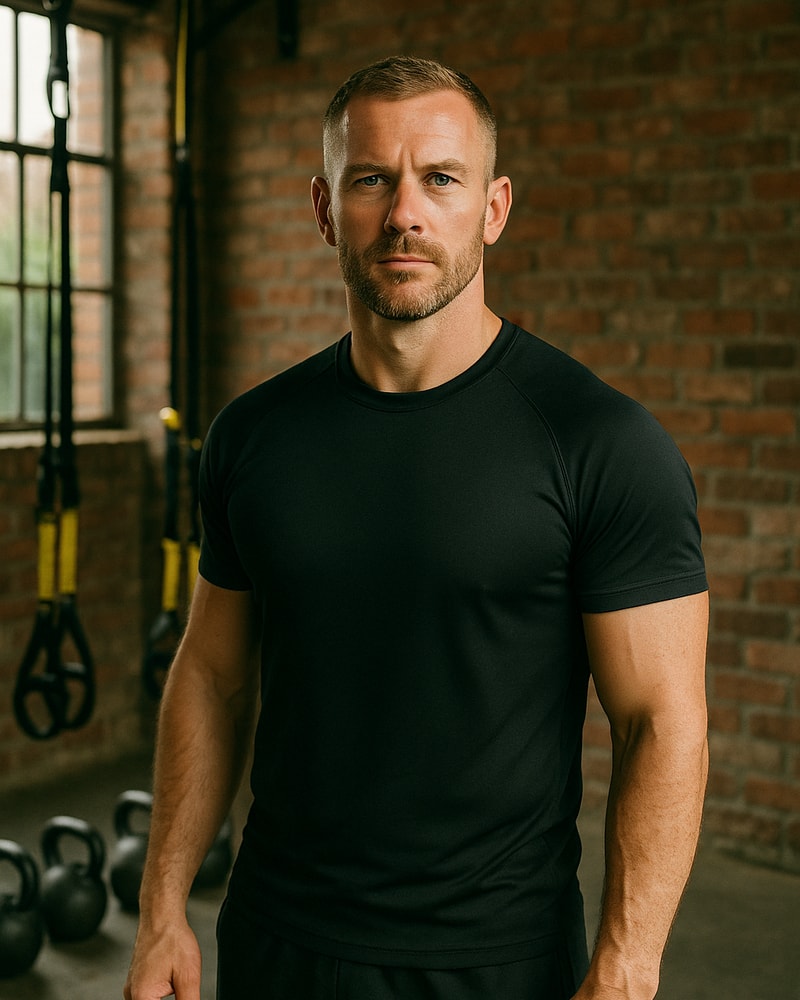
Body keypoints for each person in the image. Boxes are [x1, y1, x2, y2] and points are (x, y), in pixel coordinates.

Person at [124, 55, 709, 1000]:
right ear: (325, 208)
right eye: (371, 179)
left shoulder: (601, 443)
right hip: (278, 941)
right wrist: (161, 912)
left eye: (440, 178)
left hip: (496, 963)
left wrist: (628, 968)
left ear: (494, 208)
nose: (405, 212)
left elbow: (663, 722)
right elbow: (212, 674)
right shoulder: (253, 437)